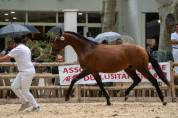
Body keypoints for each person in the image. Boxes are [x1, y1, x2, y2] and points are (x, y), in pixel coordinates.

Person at [0, 36, 40, 112]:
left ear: (14, 43)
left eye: (12, 43)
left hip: (26, 72)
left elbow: (6, 58)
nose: (11, 44)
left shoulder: (17, 49)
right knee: (14, 87)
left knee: (25, 90)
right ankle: (25, 102)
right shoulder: (25, 47)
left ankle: (36, 106)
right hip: (24, 71)